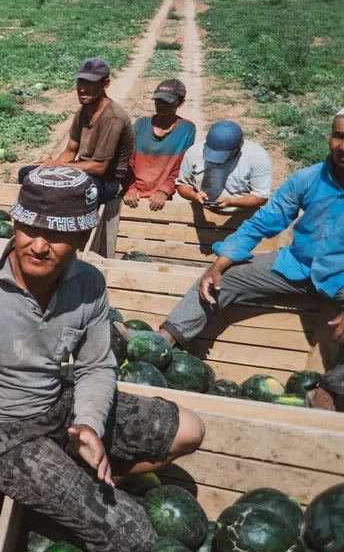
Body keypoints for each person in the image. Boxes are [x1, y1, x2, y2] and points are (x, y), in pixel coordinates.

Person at [0, 165, 204, 552]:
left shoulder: (89, 285)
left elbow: (96, 366)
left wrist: (89, 422)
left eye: (58, 234)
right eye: (29, 228)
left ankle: (79, 483)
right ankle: (61, 492)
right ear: (14, 223)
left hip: (56, 406)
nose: (39, 245)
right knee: (132, 538)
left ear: (83, 236)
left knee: (189, 429)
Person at [159, 110, 344, 411]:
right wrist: (221, 261)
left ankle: (332, 394)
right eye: (339, 136)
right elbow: (262, 224)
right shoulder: (308, 179)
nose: (343, 146)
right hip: (297, 267)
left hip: (341, 280)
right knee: (223, 276)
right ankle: (164, 340)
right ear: (330, 137)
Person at [19, 57, 134, 204]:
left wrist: (57, 165)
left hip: (106, 181)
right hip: (83, 171)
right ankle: (38, 222)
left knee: (66, 188)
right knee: (27, 175)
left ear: (105, 84)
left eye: (90, 83)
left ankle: (53, 222)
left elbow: (99, 168)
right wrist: (49, 170)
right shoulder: (84, 110)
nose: (82, 89)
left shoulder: (113, 117)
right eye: (81, 81)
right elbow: (70, 151)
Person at [123, 79, 197, 211]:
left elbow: (180, 168)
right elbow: (128, 161)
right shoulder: (141, 124)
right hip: (133, 195)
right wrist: (131, 187)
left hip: (160, 200)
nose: (161, 105)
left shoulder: (187, 129)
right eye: (158, 101)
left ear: (180, 103)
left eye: (167, 102)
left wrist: (165, 190)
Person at [174, 120, 271, 212]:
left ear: (238, 147)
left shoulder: (257, 156)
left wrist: (232, 202)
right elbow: (183, 184)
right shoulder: (194, 152)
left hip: (240, 215)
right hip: (202, 211)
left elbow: (261, 197)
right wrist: (194, 196)